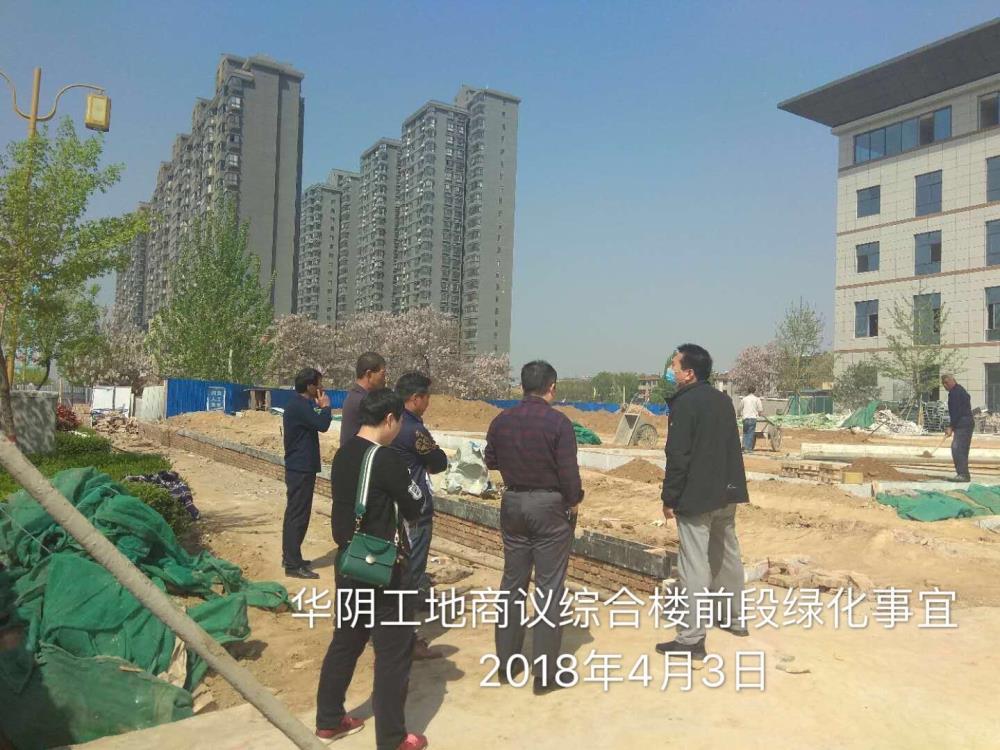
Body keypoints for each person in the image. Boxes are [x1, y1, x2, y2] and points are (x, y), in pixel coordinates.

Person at [315, 388, 428, 750]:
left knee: (346, 641)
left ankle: (329, 720)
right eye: (398, 423)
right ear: (390, 419)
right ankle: (393, 739)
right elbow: (415, 505)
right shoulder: (386, 458)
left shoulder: (344, 453)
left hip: (349, 561)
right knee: (394, 651)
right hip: (382, 568)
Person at [485, 360, 583, 694]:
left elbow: (490, 460)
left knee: (512, 584)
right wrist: (573, 501)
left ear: (523, 386)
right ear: (551, 387)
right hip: (549, 507)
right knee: (549, 588)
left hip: (513, 504)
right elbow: (568, 472)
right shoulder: (559, 423)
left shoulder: (502, 420)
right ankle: (545, 674)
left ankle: (507, 663)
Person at [656, 344, 749, 659]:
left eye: (674, 365)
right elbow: (730, 448)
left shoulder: (685, 404)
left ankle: (691, 639)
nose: (671, 370)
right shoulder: (723, 401)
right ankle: (734, 619)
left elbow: (677, 456)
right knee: (726, 555)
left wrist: (669, 497)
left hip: (696, 496)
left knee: (694, 564)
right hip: (726, 491)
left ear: (689, 373)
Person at [391, 371, 448, 661]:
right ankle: (405, 640)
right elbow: (438, 461)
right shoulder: (414, 430)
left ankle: (388, 633)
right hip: (414, 512)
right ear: (415, 398)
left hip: (390, 508)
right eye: (426, 397)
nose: (428, 403)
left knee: (394, 574)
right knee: (410, 575)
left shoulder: (389, 422)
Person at [281, 368, 331, 580]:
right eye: (318, 384)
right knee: (298, 515)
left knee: (297, 513)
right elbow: (323, 424)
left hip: (302, 466)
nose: (321, 388)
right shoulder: (299, 406)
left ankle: (291, 557)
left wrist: (318, 407)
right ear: (310, 386)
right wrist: (326, 407)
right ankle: (293, 565)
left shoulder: (303, 404)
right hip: (300, 468)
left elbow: (315, 419)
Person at [340, 352, 387, 445]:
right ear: (369, 374)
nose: (384, 379)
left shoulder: (356, 396)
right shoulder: (362, 401)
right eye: (382, 374)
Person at [942, 374, 974, 482]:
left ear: (951, 381)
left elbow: (957, 411)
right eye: (943, 384)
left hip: (963, 424)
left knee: (958, 448)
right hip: (964, 423)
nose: (944, 386)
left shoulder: (955, 393)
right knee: (960, 448)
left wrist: (951, 426)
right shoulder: (959, 390)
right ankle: (962, 474)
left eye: (946, 383)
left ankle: (963, 475)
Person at [739, 386, 764, 454]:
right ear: (754, 391)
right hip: (752, 418)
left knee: (745, 432)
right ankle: (748, 449)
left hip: (745, 418)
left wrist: (739, 414)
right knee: (750, 433)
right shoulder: (757, 399)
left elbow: (739, 408)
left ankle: (744, 447)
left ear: (748, 391)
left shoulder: (744, 399)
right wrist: (760, 414)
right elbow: (760, 409)